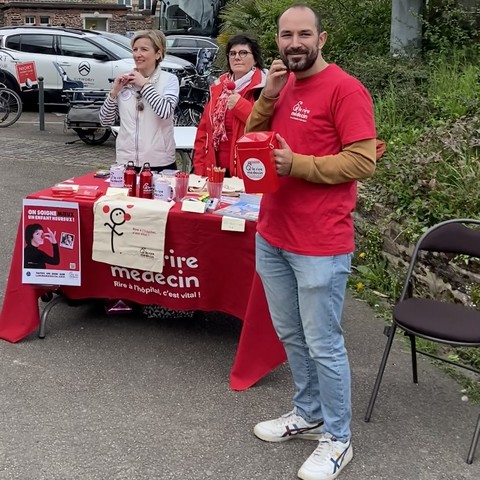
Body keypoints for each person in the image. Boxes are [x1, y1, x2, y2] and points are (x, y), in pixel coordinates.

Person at [246, 5, 378, 480]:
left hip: (320, 241)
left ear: (322, 39)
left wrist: (298, 164)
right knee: (292, 335)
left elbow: (362, 161)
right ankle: (309, 413)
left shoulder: (346, 89)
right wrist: (267, 97)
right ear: (278, 41)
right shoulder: (283, 86)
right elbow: (251, 146)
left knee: (324, 343)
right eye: (286, 35)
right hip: (273, 233)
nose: (294, 42)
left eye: (304, 34)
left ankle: (338, 440)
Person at [100, 29, 179, 173]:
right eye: (135, 49)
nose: (138, 54)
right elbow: (105, 121)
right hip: (126, 162)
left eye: (144, 49)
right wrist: (114, 92)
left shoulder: (169, 80)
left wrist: (144, 85)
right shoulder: (125, 81)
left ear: (158, 53)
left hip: (159, 163)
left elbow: (165, 112)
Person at [193, 34, 267, 178]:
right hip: (215, 170)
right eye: (232, 53)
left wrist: (239, 105)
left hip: (248, 171)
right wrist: (200, 169)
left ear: (255, 58)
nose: (237, 57)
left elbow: (264, 127)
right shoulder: (219, 86)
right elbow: (203, 132)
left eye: (243, 53)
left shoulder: (264, 87)